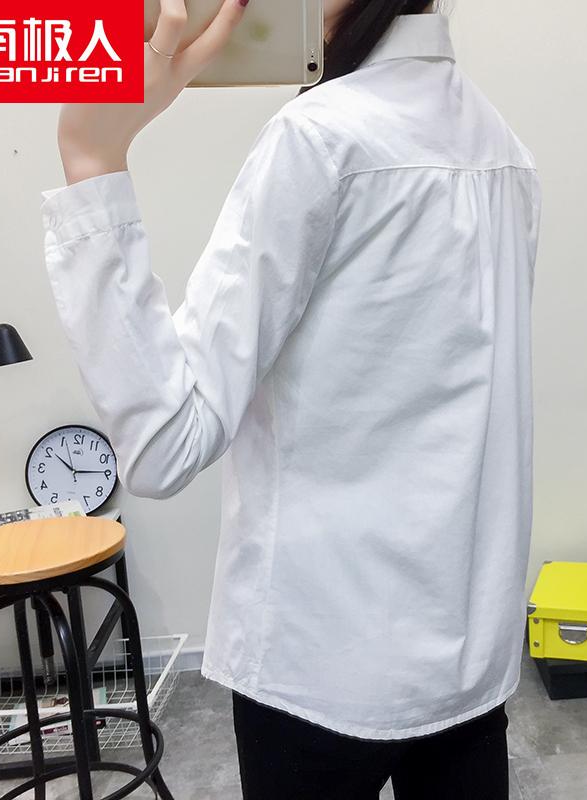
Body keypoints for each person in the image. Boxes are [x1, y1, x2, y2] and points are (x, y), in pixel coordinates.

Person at [41, 0, 541, 796]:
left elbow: (166, 444)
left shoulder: (319, 139)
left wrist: (91, 158)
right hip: (467, 658)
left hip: (317, 663)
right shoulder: (500, 144)